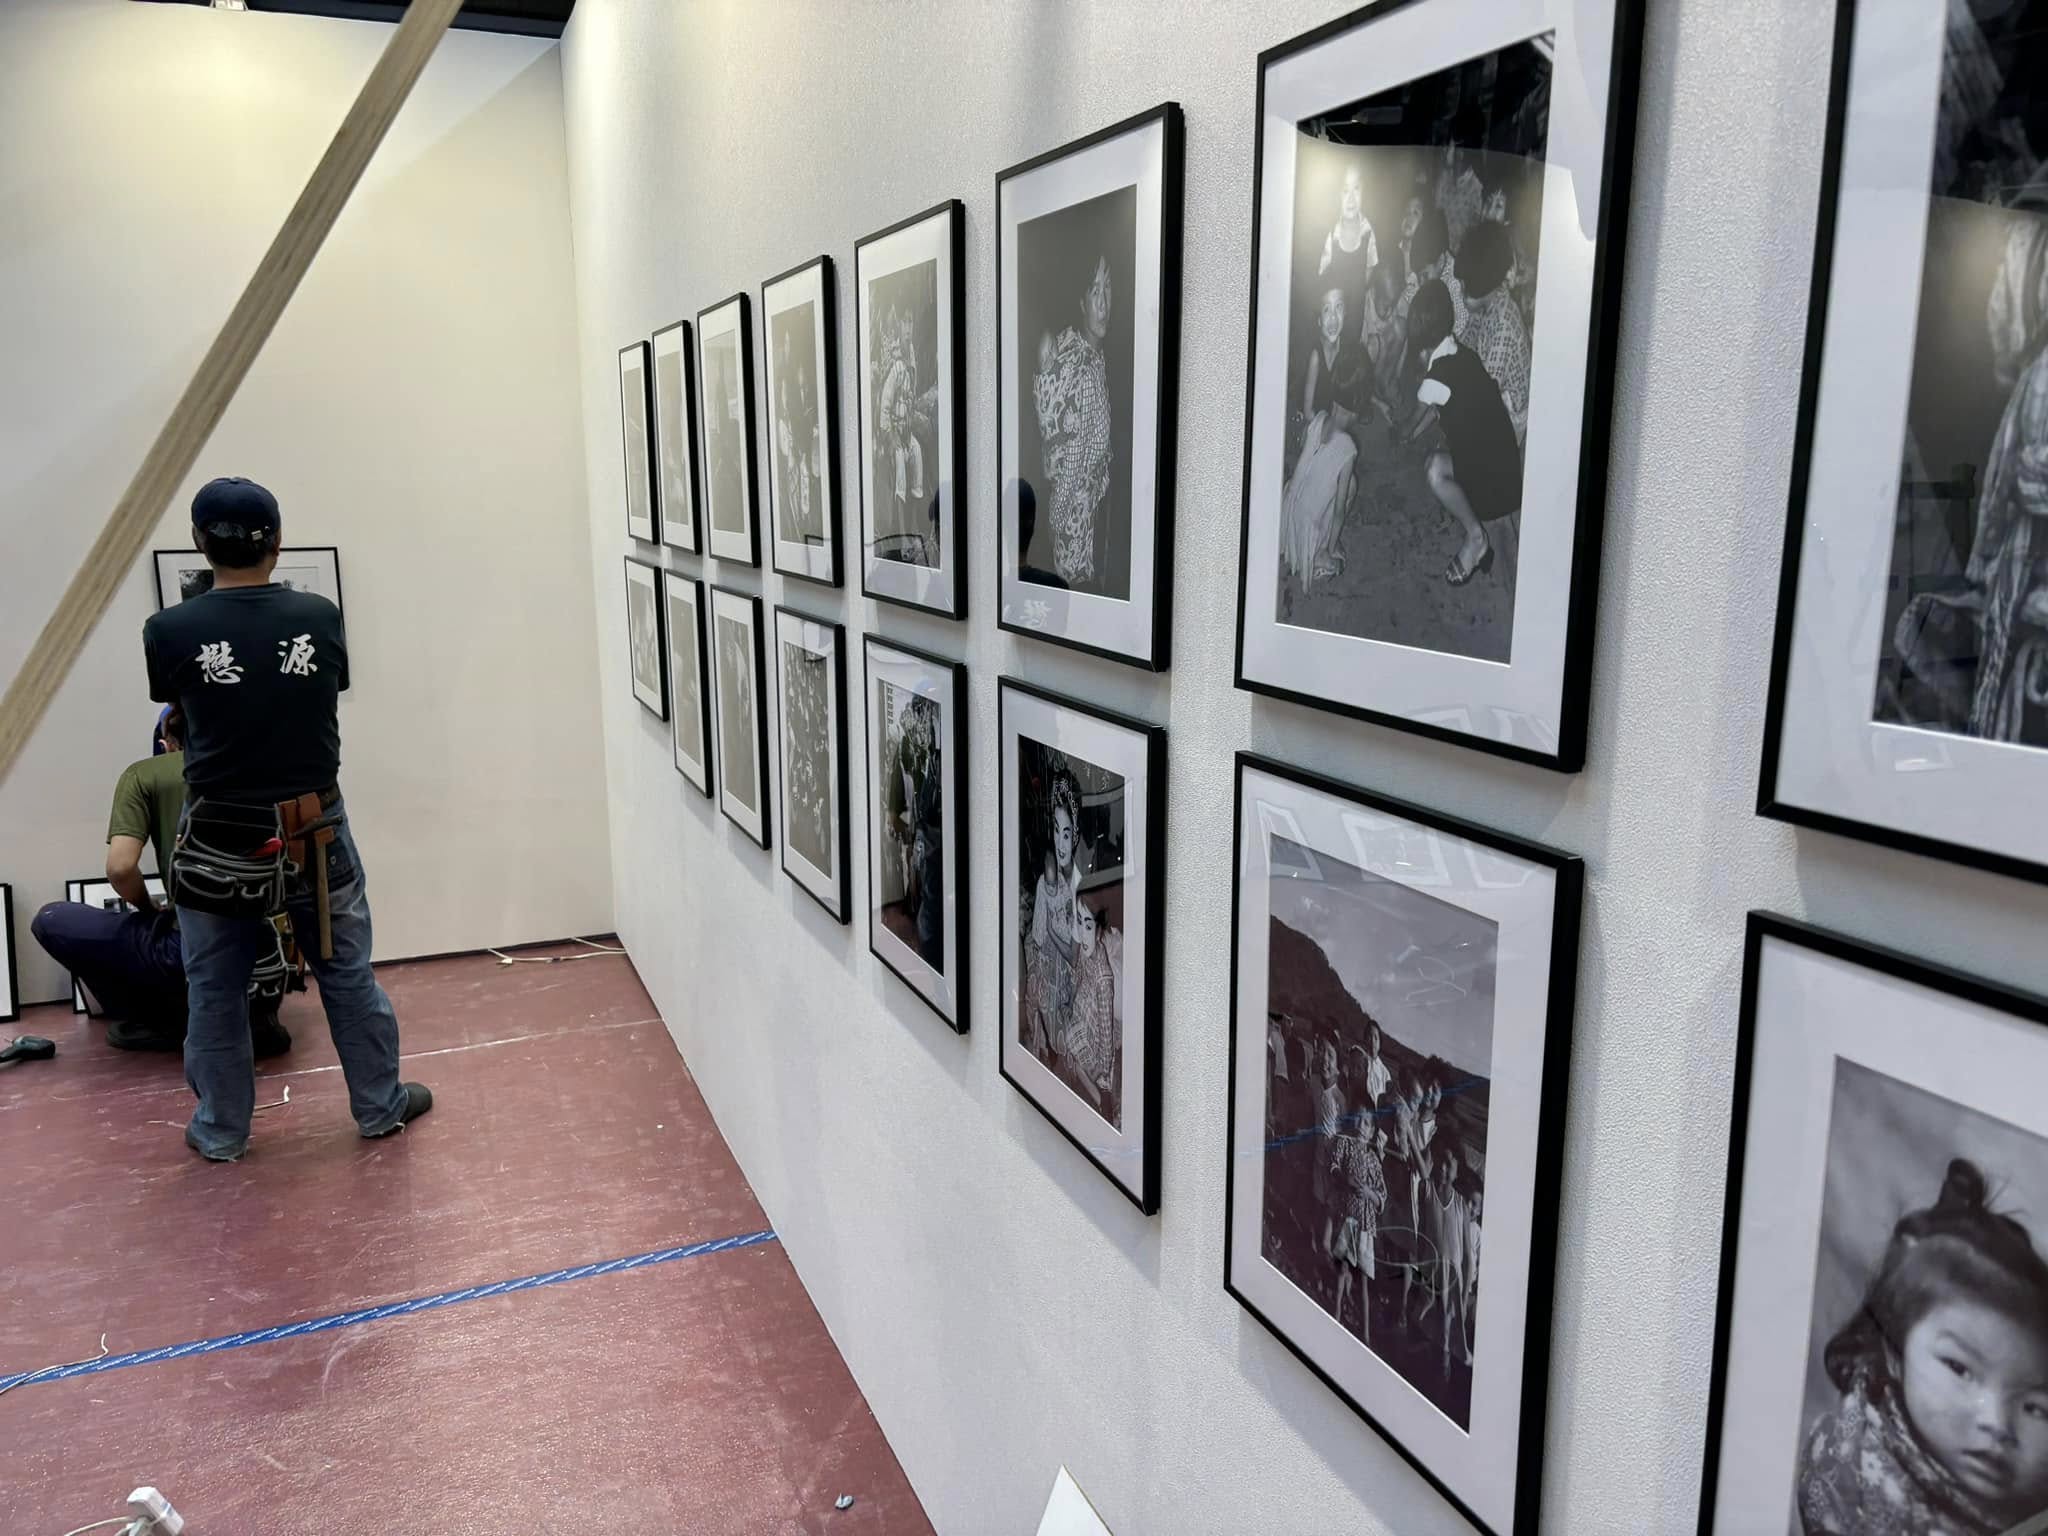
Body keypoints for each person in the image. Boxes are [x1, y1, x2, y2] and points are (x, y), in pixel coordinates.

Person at [143, 477, 430, 1162]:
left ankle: (222, 1131)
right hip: (313, 825)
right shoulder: (318, 616)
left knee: (215, 988)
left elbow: (183, 709)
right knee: (345, 970)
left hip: (217, 832)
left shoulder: (169, 630)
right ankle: (379, 1106)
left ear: (199, 543)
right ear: (277, 541)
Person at [1797, 1158, 2048, 1536]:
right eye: (1959, 1369)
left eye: (2036, 1408)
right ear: (1895, 1351)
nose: (1996, 1424)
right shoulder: (1847, 1465)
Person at [29, 706, 291, 1057]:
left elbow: (120, 868)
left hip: (191, 949)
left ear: (166, 743)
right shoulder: (262, 768)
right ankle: (256, 1020)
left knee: (52, 920)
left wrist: (148, 907)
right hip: (267, 956)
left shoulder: (145, 774)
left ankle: (161, 1022)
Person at [1412, 277, 1523, 586]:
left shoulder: (1433, 381)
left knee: (1433, 470)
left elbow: (1415, 419)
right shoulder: (1462, 351)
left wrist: (1403, 433)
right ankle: (1477, 530)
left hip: (1496, 492)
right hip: (1507, 466)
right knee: (1446, 447)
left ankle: (1476, 538)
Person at [1033, 253, 1115, 587]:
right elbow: (1071, 458)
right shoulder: (1078, 364)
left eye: (1108, 287)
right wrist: (1057, 521)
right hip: (1074, 527)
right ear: (1082, 302)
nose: (1103, 302)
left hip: (1088, 518)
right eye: (1094, 291)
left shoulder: (1095, 358)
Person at [1280, 286, 1365, 589]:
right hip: (1309, 423)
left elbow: (1354, 387)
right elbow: (1307, 411)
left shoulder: (1348, 352)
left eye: (1339, 308)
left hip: (1327, 422)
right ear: (1319, 320)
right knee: (1343, 482)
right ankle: (1323, 548)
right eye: (1326, 310)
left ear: (1347, 313)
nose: (1333, 318)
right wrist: (1326, 436)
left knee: (1334, 476)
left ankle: (1311, 514)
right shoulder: (1317, 356)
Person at [1455, 219, 1533, 446]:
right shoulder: (1490, 299)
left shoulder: (1503, 328)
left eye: (1464, 287)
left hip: (1509, 413)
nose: (1460, 293)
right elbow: (1467, 337)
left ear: (1481, 283)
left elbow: (1484, 397)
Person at [1330, 1120, 1389, 1344]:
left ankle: (1365, 1335)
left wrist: (1369, 1194)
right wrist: (1344, 1178)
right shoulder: (1346, 1145)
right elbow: (1333, 1166)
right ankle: (1336, 1317)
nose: (1359, 1125)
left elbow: (1382, 1196)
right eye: (1358, 1120)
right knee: (1343, 1269)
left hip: (1366, 1224)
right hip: (1349, 1218)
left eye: (1365, 1123)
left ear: (1372, 1131)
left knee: (1363, 1280)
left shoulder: (1374, 1159)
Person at [1316, 162, 1380, 329]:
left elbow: (1370, 269)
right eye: (1345, 191)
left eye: (1356, 189)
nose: (1351, 198)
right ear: (1337, 195)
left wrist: (1358, 294)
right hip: (1332, 320)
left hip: (1355, 316)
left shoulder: (1369, 232)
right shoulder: (1330, 234)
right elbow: (1320, 276)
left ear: (1364, 191)